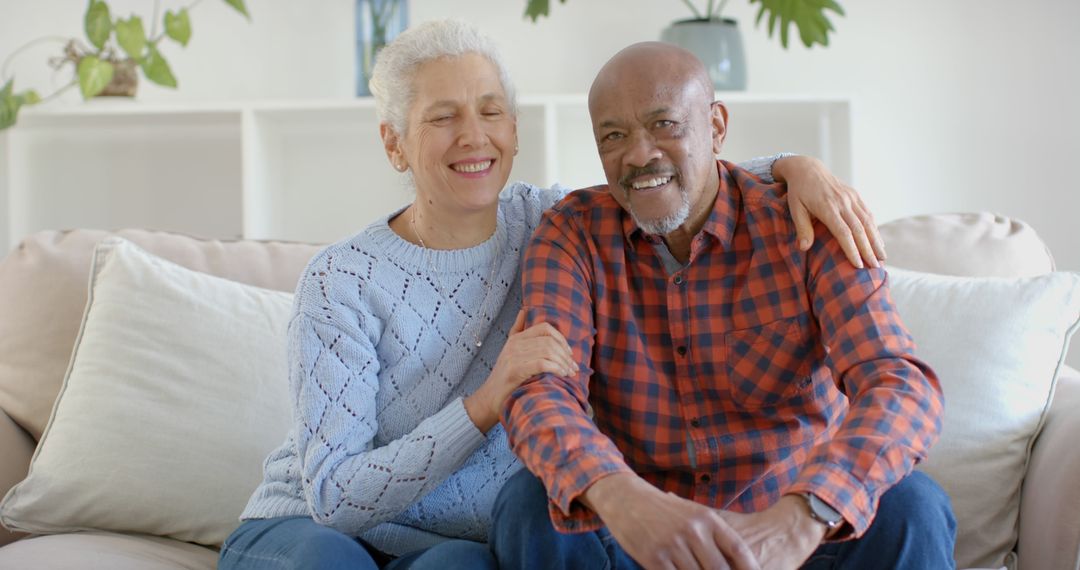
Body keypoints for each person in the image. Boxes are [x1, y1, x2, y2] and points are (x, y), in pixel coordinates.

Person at [217, 21, 886, 570]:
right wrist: (485, 403)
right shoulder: (343, 279)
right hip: (313, 525)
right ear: (394, 143)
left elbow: (664, 173)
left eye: (490, 112)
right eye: (442, 117)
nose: (473, 136)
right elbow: (335, 497)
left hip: (452, 541)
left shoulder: (551, 221)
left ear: (514, 128)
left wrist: (798, 169)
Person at [492, 41, 956, 570]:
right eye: (614, 136)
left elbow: (899, 382)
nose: (639, 154)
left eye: (664, 124)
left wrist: (804, 513)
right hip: (644, 540)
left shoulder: (804, 222)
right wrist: (620, 495)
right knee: (528, 505)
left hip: (796, 536)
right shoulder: (571, 234)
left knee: (913, 506)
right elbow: (539, 390)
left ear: (715, 127)